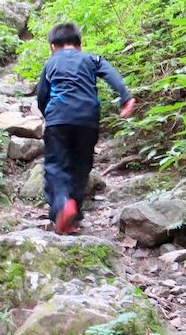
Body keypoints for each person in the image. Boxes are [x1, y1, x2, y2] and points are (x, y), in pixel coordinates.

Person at [36, 22, 136, 234]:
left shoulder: (51, 63)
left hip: (58, 118)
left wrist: (49, 116)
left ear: (53, 46)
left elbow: (42, 96)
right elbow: (111, 74)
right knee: (81, 167)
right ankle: (73, 217)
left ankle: (63, 206)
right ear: (79, 45)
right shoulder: (91, 59)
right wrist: (125, 98)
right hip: (87, 120)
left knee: (56, 166)